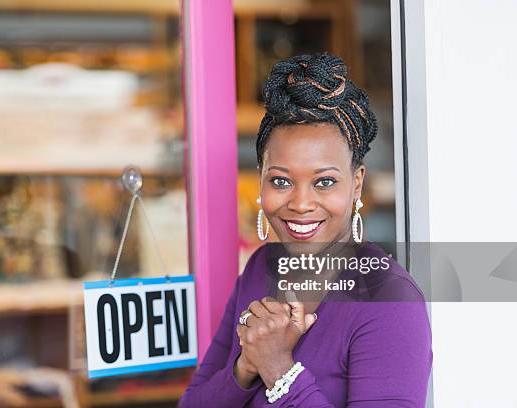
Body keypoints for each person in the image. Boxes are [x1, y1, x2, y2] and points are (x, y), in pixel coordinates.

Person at [178, 53, 432, 407]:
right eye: (281, 180)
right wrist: (246, 364)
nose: (300, 203)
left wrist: (278, 368)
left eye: (324, 182)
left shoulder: (390, 303)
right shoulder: (260, 268)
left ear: (356, 184)